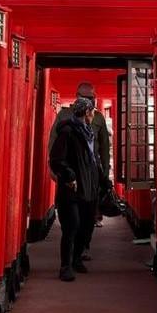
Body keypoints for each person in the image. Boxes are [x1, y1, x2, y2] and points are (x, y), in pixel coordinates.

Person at [48, 97, 110, 282]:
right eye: (92, 111)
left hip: (89, 187)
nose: (94, 114)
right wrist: (69, 175)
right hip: (72, 189)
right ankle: (65, 266)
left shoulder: (89, 132)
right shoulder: (67, 132)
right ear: (85, 112)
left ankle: (76, 260)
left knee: (86, 226)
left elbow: (94, 159)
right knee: (71, 226)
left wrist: (104, 180)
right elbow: (57, 159)